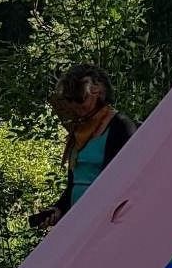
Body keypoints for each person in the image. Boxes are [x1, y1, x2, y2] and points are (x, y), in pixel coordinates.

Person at [31, 65, 136, 229]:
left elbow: (126, 184)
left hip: (105, 224)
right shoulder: (78, 131)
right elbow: (75, 184)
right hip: (77, 223)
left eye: (80, 99)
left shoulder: (121, 126)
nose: (75, 106)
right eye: (70, 99)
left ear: (99, 91)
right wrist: (58, 209)